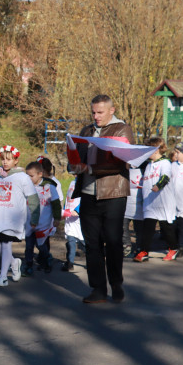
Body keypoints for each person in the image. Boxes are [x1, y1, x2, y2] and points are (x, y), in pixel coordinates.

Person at [68, 95, 136, 304]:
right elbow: (77, 157)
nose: (95, 116)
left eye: (100, 112)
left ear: (112, 110)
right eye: (93, 112)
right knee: (92, 244)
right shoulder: (86, 131)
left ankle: (116, 283)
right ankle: (97, 288)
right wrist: (74, 166)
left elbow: (120, 164)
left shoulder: (122, 130)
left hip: (113, 194)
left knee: (113, 241)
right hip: (88, 195)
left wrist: (90, 168)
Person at [0, 145, 39, 287]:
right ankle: (14, 262)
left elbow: (33, 198)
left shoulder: (22, 177)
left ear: (16, 161)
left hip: (13, 218)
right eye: (3, 159)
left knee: (6, 244)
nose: (5, 162)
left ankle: (3, 277)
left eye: (9, 159)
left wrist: (35, 218)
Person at [134, 138, 178, 263]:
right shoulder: (149, 165)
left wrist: (158, 185)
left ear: (156, 150)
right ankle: (144, 251)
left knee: (166, 228)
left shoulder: (165, 163)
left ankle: (173, 248)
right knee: (147, 228)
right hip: (150, 202)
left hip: (163, 201)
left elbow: (165, 176)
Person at [23, 160, 62, 275]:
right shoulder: (26, 187)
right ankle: (28, 266)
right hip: (29, 222)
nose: (29, 178)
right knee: (29, 246)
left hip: (43, 223)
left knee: (41, 245)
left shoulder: (49, 187)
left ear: (40, 174)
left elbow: (55, 204)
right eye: (27, 175)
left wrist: (57, 218)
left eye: (31, 176)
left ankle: (47, 260)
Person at [61, 179, 83, 272]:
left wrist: (78, 210)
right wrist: (64, 210)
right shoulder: (72, 182)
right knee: (71, 240)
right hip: (70, 217)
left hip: (79, 218)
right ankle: (70, 263)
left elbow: (87, 198)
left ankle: (97, 259)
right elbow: (68, 198)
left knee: (84, 242)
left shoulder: (84, 182)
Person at [123, 163, 145, 258]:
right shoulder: (124, 168)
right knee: (123, 227)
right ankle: (126, 245)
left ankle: (139, 247)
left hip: (140, 205)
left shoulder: (145, 168)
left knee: (139, 229)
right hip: (126, 204)